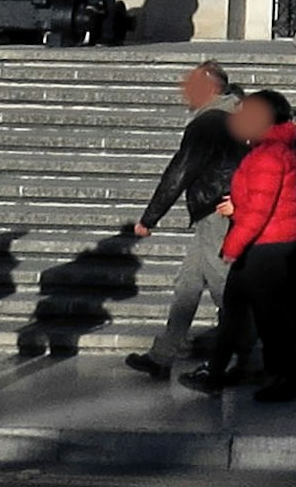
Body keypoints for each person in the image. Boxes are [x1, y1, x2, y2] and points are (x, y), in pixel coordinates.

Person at [191, 87, 296, 403]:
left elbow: (258, 210)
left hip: (265, 245)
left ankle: (286, 379)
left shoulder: (269, 154)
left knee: (268, 318)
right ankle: (216, 375)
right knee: (237, 312)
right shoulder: (272, 149)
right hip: (266, 242)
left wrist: (232, 245)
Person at [124, 62, 239, 380]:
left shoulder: (210, 123)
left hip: (217, 212)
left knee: (224, 288)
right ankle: (163, 356)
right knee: (188, 284)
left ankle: (242, 359)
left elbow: (180, 172)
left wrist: (149, 218)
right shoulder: (234, 112)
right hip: (213, 212)